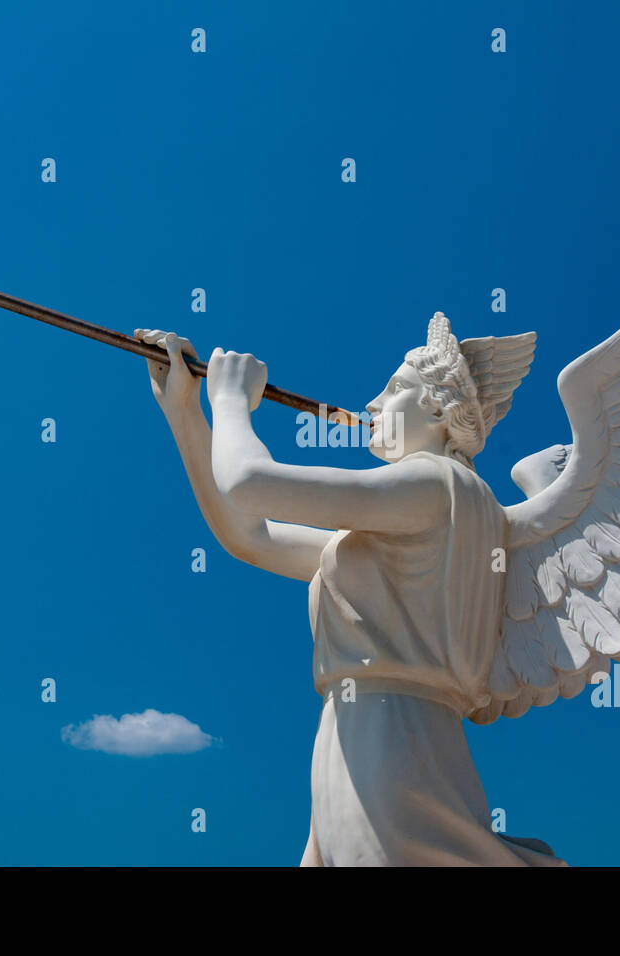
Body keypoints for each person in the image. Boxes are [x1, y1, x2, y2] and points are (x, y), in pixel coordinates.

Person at [135, 314, 564, 866]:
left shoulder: (439, 484)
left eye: (395, 388)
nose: (374, 403)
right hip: (358, 735)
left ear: (438, 408)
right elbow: (248, 536)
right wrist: (185, 412)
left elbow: (250, 485)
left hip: (392, 738)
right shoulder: (398, 529)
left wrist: (231, 401)